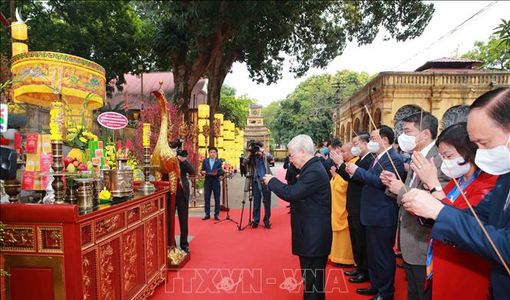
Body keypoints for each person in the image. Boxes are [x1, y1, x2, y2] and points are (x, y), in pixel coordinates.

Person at [401, 87, 510, 298]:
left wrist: (439, 208)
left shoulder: (493, 178)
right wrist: (431, 210)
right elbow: (478, 219)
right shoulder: (505, 177)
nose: (480, 152)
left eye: (484, 143)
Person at [411, 122, 498, 299]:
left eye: (449, 155)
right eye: (442, 157)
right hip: (441, 258)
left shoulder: (489, 183)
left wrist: (434, 186)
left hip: (465, 266)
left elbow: (464, 223)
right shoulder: (456, 182)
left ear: (470, 151)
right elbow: (436, 212)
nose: (445, 162)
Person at [381, 111, 448, 300]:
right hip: (408, 239)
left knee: (423, 292)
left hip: (423, 242)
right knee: (413, 291)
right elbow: (408, 192)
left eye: (408, 131)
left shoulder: (439, 159)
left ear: (425, 134)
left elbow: (437, 201)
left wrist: (401, 189)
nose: (403, 136)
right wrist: (394, 185)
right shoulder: (417, 156)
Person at [263, 134, 332, 300]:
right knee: (310, 281)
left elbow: (292, 193)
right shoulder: (311, 168)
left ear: (302, 152)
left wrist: (272, 181)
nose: (290, 159)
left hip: (314, 236)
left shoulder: (314, 171)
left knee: (313, 283)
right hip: (310, 233)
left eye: (291, 155)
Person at [345, 125, 405, 300]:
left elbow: (381, 183)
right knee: (373, 254)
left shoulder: (393, 159)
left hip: (382, 215)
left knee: (383, 256)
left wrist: (358, 172)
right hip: (371, 214)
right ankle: (377, 286)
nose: (370, 142)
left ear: (384, 140)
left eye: (372, 138)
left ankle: (386, 293)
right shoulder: (377, 157)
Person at [332, 132, 373, 283]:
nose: (354, 147)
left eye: (356, 144)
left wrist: (341, 165)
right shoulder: (362, 159)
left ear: (365, 143)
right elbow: (349, 176)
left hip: (361, 205)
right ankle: (359, 267)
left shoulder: (370, 160)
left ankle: (364, 270)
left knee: (361, 240)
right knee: (356, 239)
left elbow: (356, 177)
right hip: (354, 205)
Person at [328, 140, 355, 267]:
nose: (342, 154)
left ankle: (346, 259)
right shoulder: (347, 163)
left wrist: (335, 174)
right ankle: (337, 256)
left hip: (344, 205)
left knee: (345, 233)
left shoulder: (352, 164)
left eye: (344, 151)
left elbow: (344, 185)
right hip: (337, 204)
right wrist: (334, 176)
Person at [243, 141, 273, 229]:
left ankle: (266, 220)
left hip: (266, 181)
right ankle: (256, 220)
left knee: (267, 202)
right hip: (256, 182)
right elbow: (244, 162)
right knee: (256, 202)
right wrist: (250, 154)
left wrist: (263, 152)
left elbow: (271, 158)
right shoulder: (252, 158)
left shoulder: (264, 156)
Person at [175, 149, 195, 253]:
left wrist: (184, 160)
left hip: (182, 193)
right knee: (169, 220)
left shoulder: (184, 163)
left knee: (183, 220)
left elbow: (192, 171)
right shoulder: (170, 160)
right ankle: (170, 243)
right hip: (171, 193)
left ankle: (184, 244)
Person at [201, 146, 223, 220]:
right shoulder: (205, 161)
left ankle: (216, 215)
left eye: (214, 152)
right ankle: (207, 214)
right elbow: (202, 170)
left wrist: (219, 174)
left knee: (217, 198)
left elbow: (220, 172)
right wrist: (202, 172)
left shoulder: (219, 162)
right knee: (207, 198)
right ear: (209, 153)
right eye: (211, 152)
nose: (212, 154)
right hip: (207, 181)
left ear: (216, 153)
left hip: (216, 181)